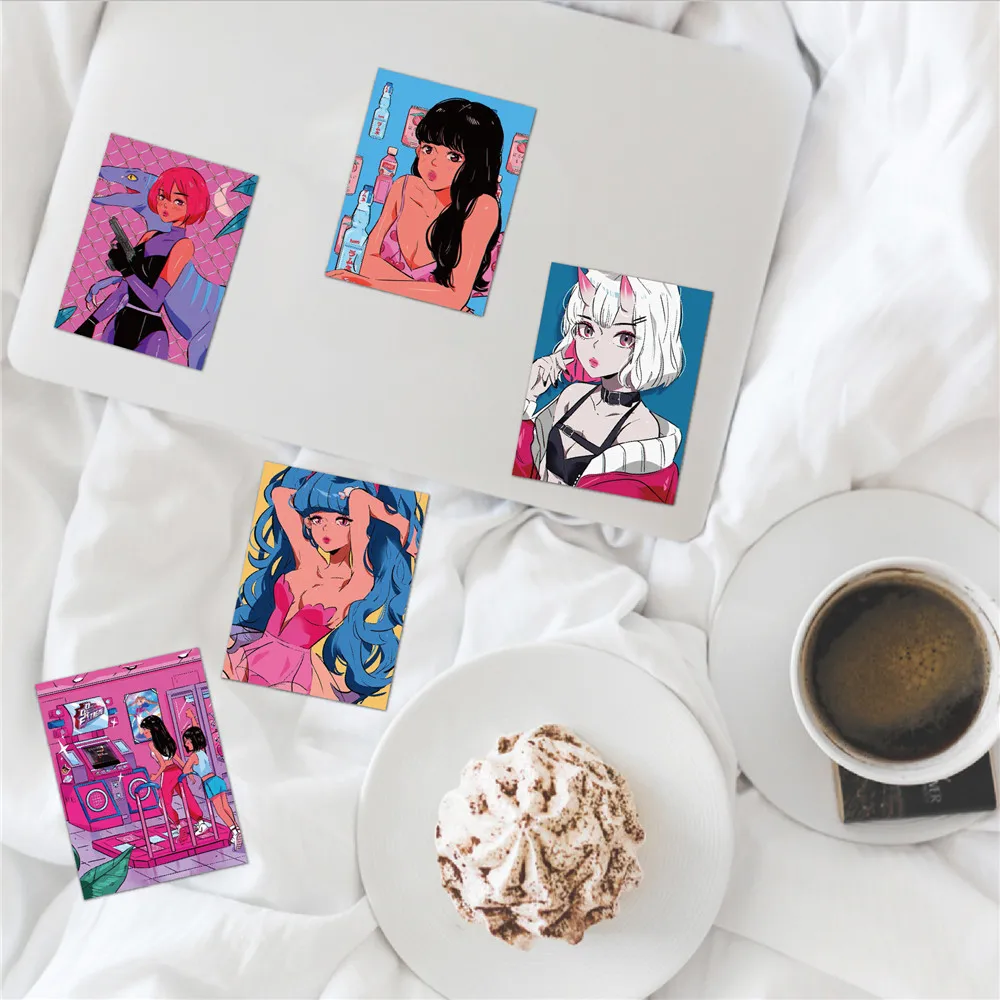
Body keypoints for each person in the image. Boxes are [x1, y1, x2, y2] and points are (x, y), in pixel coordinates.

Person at [224, 467, 424, 702]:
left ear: (360, 525)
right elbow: (280, 495)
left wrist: (398, 523)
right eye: (317, 519)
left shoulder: (357, 582)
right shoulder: (307, 560)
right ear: (307, 522)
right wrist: (318, 494)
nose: (326, 529)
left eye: (342, 520)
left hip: (290, 676)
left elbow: (359, 500)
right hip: (247, 654)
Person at [513, 268, 685, 504]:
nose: (596, 347)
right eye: (587, 329)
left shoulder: (642, 430)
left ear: (651, 343)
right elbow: (519, 470)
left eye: (624, 337)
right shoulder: (572, 396)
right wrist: (528, 397)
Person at [327, 98, 503, 311]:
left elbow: (455, 297)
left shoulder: (482, 207)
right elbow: (367, 262)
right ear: (418, 149)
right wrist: (432, 293)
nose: (434, 162)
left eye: (453, 156)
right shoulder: (403, 187)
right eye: (429, 149)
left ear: (477, 163)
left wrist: (372, 284)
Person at [74, 165, 209, 357]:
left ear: (194, 205)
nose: (166, 205)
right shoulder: (149, 236)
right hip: (117, 323)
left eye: (178, 201)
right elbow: (122, 291)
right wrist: (91, 321)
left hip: (150, 335)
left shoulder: (183, 245)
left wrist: (126, 269)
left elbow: (155, 300)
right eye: (162, 197)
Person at [139, 715, 209, 839]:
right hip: (177, 771)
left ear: (153, 729)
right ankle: (201, 822)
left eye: (146, 729)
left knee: (163, 803)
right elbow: (177, 758)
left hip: (168, 773)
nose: (144, 732)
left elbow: (163, 764)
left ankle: (178, 825)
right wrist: (187, 772)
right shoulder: (168, 740)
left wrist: (156, 776)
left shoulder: (152, 744)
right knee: (187, 796)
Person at [180, 724, 242, 849]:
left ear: (194, 741)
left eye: (188, 742)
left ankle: (234, 832)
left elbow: (185, 769)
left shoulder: (193, 756)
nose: (186, 744)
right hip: (217, 780)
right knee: (226, 807)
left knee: (220, 810)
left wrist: (191, 775)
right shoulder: (202, 752)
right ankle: (237, 828)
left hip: (209, 783)